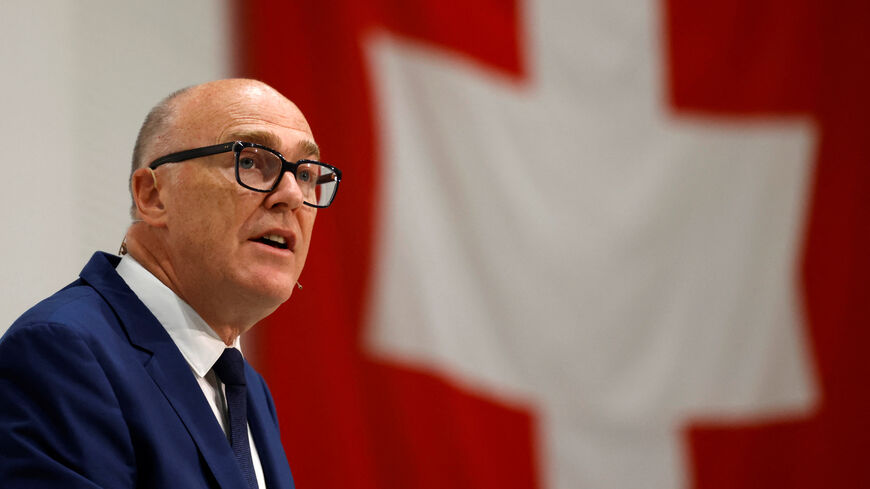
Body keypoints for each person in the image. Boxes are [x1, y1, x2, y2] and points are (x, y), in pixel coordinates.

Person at [0, 79, 341, 489]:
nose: (290, 193)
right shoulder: (62, 352)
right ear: (153, 195)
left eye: (305, 174)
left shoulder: (249, 389)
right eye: (250, 161)